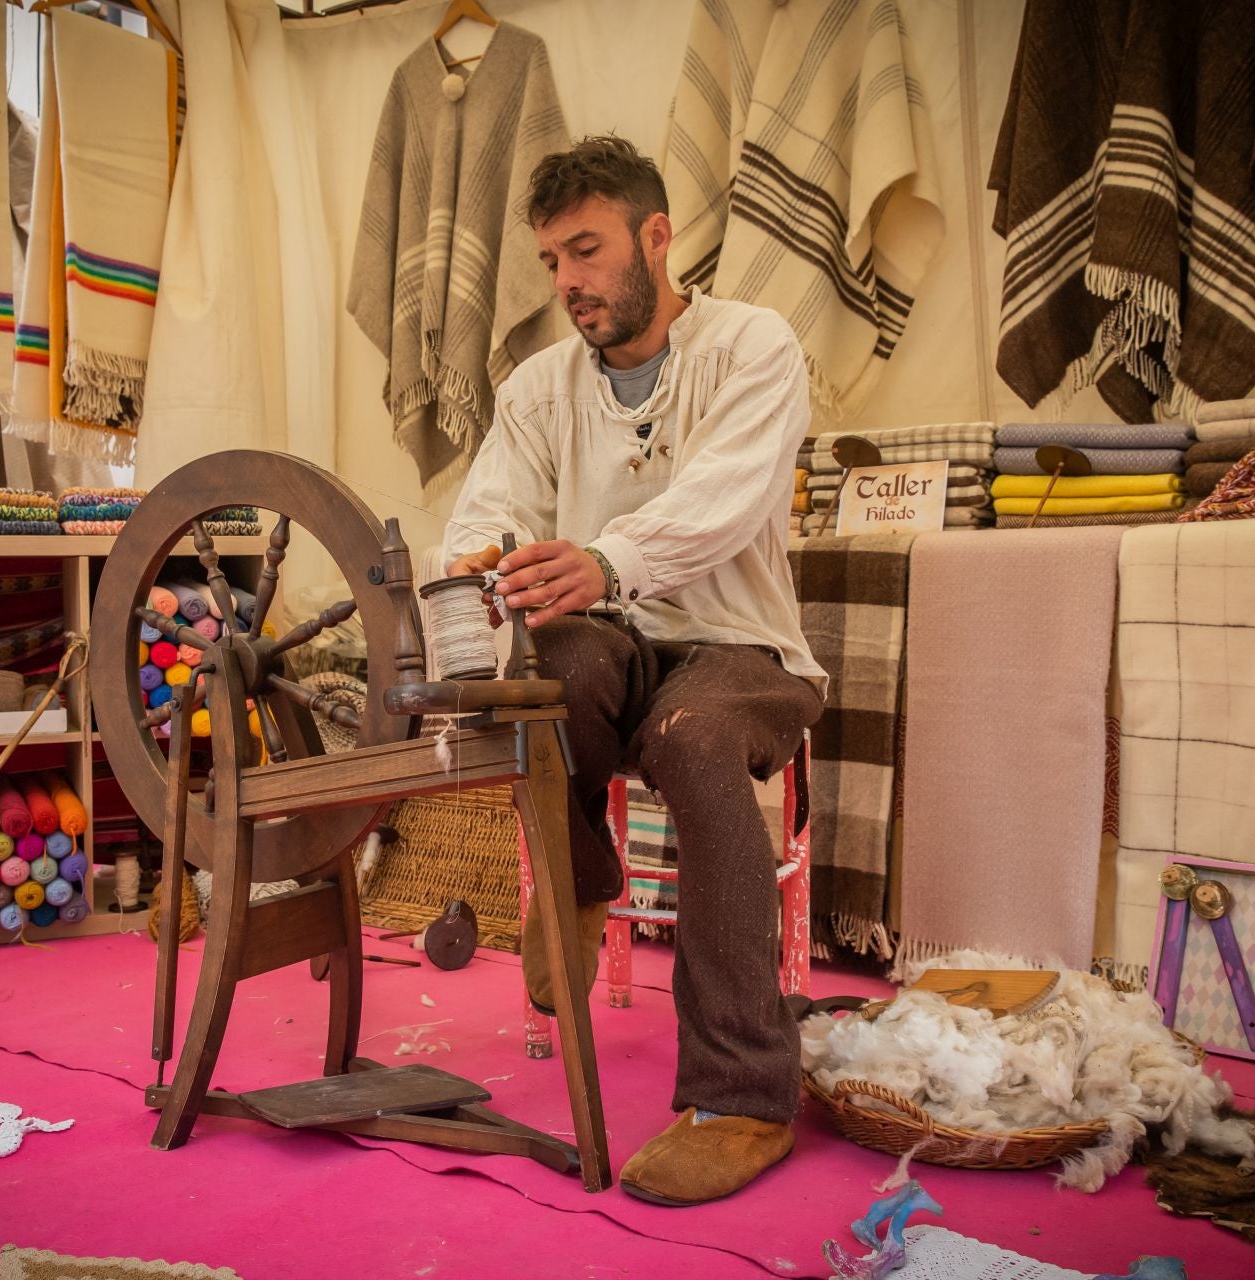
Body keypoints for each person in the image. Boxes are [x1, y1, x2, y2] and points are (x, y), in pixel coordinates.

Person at [441, 136, 825, 1206]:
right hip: (612, 643)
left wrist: (606, 558)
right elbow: (481, 515)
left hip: (742, 646)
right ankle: (579, 878)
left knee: (694, 734)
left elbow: (727, 499)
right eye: (552, 260)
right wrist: (475, 565)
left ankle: (745, 1096)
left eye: (587, 250)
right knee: (544, 671)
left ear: (657, 238)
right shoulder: (536, 385)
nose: (567, 281)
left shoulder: (754, 345)